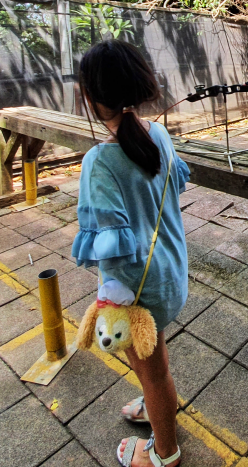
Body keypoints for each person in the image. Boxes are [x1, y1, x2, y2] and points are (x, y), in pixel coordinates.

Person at [71, 39, 189, 467]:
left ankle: (165, 452)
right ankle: (157, 403)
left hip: (137, 295)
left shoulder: (100, 161)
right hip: (172, 276)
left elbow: (111, 249)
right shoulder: (158, 134)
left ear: (91, 98)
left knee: (154, 372)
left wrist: (109, 301)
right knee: (155, 357)